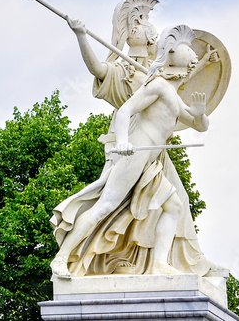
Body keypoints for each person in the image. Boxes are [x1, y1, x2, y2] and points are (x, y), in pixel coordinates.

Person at [50, 25, 213, 278]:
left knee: (174, 206)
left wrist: (201, 112)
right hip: (136, 154)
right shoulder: (158, 86)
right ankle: (61, 259)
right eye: (189, 65)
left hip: (151, 163)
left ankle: (159, 263)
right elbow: (125, 110)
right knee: (105, 207)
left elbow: (199, 126)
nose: (189, 73)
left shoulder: (172, 94)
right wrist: (123, 141)